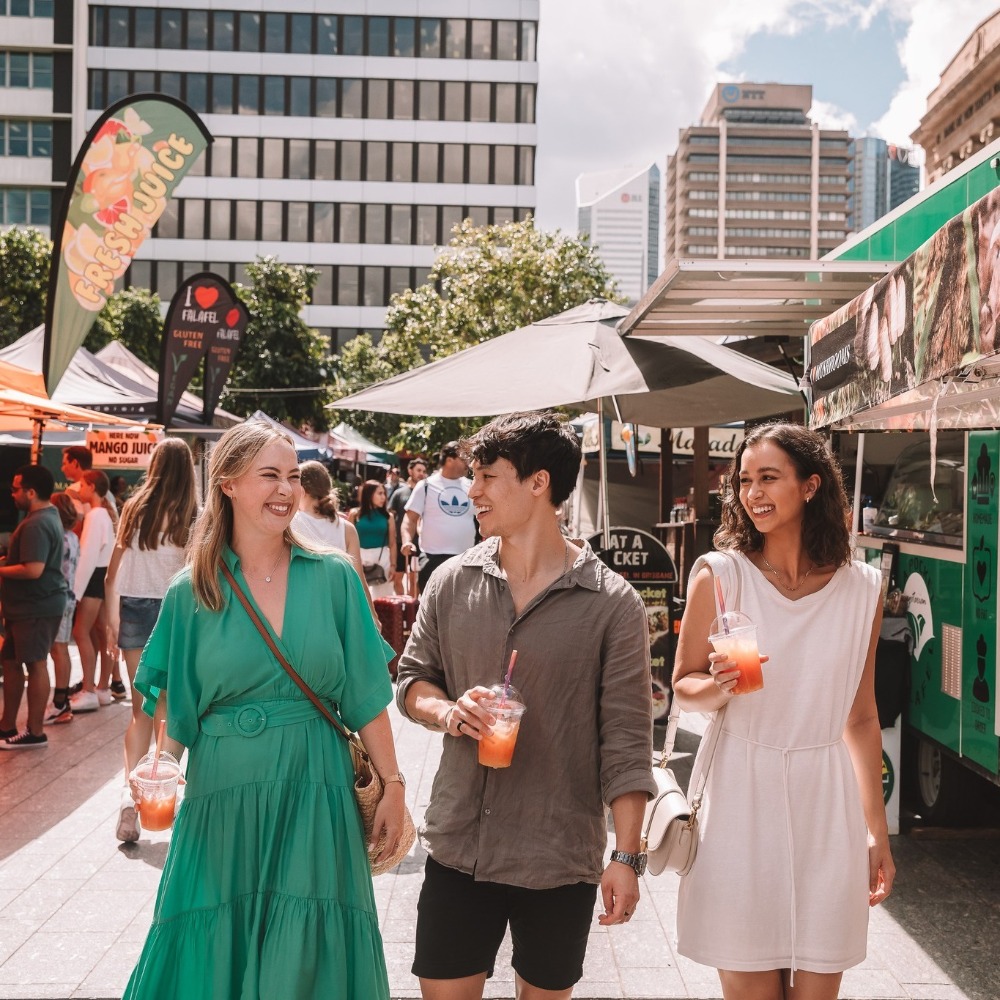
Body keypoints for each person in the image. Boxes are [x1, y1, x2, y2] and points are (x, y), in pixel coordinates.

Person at [121, 421, 405, 999]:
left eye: (294, 477)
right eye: (269, 475)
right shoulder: (190, 590)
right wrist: (161, 768)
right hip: (223, 792)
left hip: (315, 784)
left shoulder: (334, 579)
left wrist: (394, 785)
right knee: (215, 933)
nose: (285, 490)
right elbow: (175, 707)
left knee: (310, 942)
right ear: (226, 483)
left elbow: (366, 697)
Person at [395, 412, 655, 1000]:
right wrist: (448, 711)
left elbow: (627, 743)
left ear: (539, 483)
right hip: (460, 845)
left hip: (557, 854)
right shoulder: (451, 582)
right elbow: (412, 682)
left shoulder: (613, 605)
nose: (472, 490)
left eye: (487, 476)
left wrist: (628, 857)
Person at [672, 422, 895, 1000]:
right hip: (740, 798)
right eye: (744, 481)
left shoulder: (862, 589)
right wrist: (719, 686)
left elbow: (862, 717)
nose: (752, 493)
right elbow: (683, 687)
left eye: (768, 478)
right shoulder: (720, 577)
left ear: (812, 485)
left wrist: (878, 833)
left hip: (828, 803)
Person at [105, 438, 198, 843]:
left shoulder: (133, 507)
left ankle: (131, 796)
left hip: (135, 609)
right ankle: (173, 798)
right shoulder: (193, 514)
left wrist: (112, 622)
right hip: (178, 613)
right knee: (175, 711)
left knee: (140, 712)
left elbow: (112, 573)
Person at [0, 465, 68, 750]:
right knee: (12, 662)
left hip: (36, 606)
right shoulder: (44, 517)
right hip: (28, 607)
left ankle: (35, 732)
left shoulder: (38, 522)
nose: (12, 493)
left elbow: (33, 569)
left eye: (16, 488)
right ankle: (6, 726)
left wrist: (1, 568)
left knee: (35, 664)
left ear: (31, 491)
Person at [69, 470, 119, 713]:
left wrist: (75, 592)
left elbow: (87, 556)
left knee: (81, 632)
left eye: (82, 486)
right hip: (102, 576)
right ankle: (101, 688)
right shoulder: (104, 513)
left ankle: (89, 689)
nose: (78, 490)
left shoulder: (97, 514)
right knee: (103, 633)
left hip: (92, 578)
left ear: (91, 486)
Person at [401, 442, 476, 593]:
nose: (468, 463)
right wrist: (407, 541)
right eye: (464, 458)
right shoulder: (426, 486)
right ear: (449, 459)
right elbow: (410, 519)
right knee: (433, 611)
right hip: (432, 559)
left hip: (466, 559)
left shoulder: (472, 486)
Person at [43, 493, 81, 726]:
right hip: (69, 598)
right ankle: (62, 699)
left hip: (59, 599)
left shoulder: (61, 539)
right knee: (61, 650)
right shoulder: (73, 538)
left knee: (58, 651)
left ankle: (59, 703)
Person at [388, 457, 428, 596]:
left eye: (423, 470)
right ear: (410, 471)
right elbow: (390, 515)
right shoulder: (400, 493)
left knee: (414, 579)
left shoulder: (427, 492)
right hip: (401, 543)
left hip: (420, 545)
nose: (421, 473)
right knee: (398, 578)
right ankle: (401, 609)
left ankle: (413, 609)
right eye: (418, 470)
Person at [349, 480, 396, 599]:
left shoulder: (388, 516)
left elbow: (392, 543)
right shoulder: (355, 514)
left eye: (384, 494)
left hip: (383, 558)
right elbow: (347, 541)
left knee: (383, 598)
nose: (383, 497)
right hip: (359, 557)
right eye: (379, 493)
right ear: (369, 494)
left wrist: (393, 565)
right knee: (359, 597)